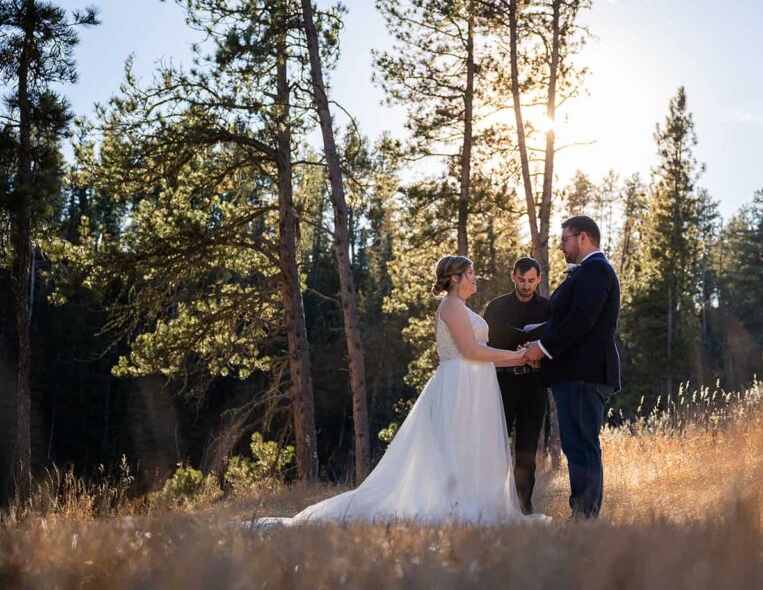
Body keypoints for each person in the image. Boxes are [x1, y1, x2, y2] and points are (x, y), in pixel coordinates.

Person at [255, 256, 547, 526]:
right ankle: (456, 505)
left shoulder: (461, 306)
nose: (475, 278)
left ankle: (475, 502)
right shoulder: (451, 306)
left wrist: (516, 354)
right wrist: (519, 357)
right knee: (457, 447)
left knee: (470, 447)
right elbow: (471, 350)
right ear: (455, 278)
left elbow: (479, 348)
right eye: (470, 273)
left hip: (474, 385)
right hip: (459, 386)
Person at [524, 216, 621, 519]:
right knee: (577, 445)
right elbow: (563, 320)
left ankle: (584, 518)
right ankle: (583, 515)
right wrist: (529, 339)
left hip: (584, 373)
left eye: (565, 239)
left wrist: (542, 347)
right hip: (576, 373)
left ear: (583, 238)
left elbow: (581, 319)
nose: (561, 246)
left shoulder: (595, 271)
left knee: (581, 446)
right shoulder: (587, 273)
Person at [482, 257, 549, 515]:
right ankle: (493, 504)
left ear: (539, 279)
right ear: (513, 277)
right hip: (502, 382)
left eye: (531, 280)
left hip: (534, 386)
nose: (526, 285)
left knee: (526, 450)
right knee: (496, 445)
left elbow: (552, 342)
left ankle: (523, 506)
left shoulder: (548, 308)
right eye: (521, 280)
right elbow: (487, 341)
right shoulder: (496, 307)